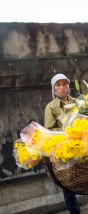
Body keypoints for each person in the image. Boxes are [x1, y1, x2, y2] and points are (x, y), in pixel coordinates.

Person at [44, 73, 81, 214]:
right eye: (58, 85)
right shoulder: (51, 107)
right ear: (53, 88)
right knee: (68, 184)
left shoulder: (77, 102)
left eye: (64, 84)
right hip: (64, 149)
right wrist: (67, 130)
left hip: (81, 145)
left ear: (68, 86)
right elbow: (49, 129)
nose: (61, 88)